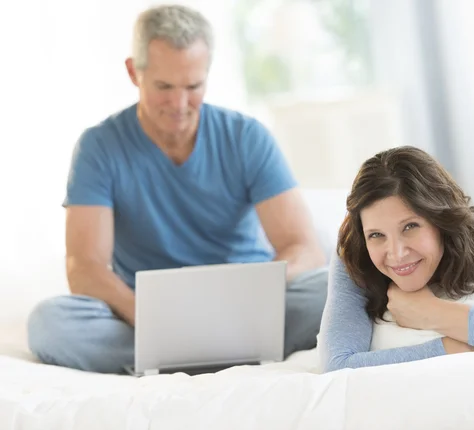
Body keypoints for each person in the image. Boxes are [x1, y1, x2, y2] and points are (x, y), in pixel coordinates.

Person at [27, 4, 328, 374]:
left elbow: (304, 248)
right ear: (133, 72)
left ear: (207, 75)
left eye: (193, 86)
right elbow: (84, 266)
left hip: (244, 309)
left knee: (335, 290)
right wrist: (147, 315)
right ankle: (210, 353)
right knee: (49, 323)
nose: (180, 104)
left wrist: (253, 297)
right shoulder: (99, 147)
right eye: (164, 87)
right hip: (144, 314)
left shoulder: (246, 137)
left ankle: (187, 355)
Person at [317, 146, 474, 372]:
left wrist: (431, 313)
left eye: (410, 227)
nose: (396, 253)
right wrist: (452, 349)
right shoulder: (354, 253)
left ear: (440, 220)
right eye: (376, 234)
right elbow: (339, 363)